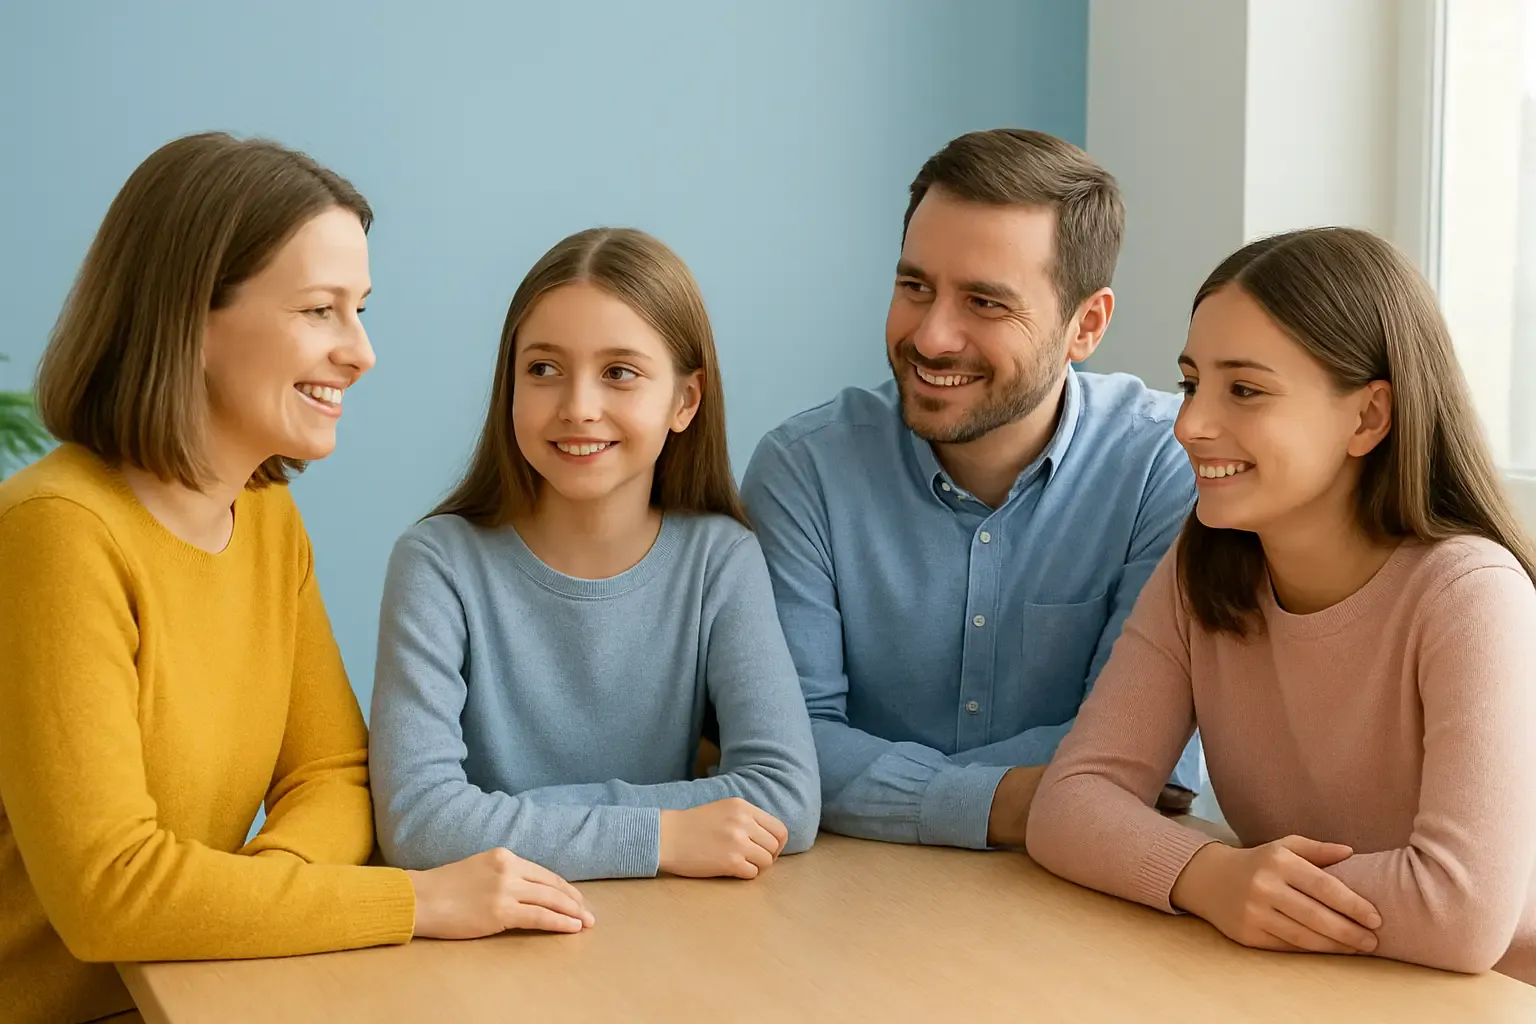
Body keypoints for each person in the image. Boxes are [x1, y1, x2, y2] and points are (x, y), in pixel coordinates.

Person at [0, 133, 594, 1024]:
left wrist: (261, 896)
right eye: (321, 310)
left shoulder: (265, 513)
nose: (361, 351)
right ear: (190, 318)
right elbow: (111, 891)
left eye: (360, 310)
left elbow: (335, 771)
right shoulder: (56, 532)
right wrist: (417, 902)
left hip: (197, 994)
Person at [1026, 227, 1536, 983]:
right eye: (1192, 384)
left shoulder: (1472, 596)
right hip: (1305, 985)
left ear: (1368, 418)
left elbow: (1459, 914)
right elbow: (1069, 802)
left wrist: (1247, 882)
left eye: (1245, 390)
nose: (1189, 424)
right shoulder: (1202, 567)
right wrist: (1209, 875)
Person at [740, 128, 1202, 850]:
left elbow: (1147, 756)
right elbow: (788, 750)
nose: (931, 338)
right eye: (915, 287)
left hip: (1085, 891)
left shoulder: (1168, 465)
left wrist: (884, 787)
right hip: (849, 890)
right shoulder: (804, 471)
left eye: (985, 302)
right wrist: (1011, 803)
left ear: (1086, 325)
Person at [369, 227, 820, 883]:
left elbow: (785, 799)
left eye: (619, 373)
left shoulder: (720, 559)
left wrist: (505, 822)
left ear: (685, 401)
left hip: (679, 926)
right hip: (494, 933)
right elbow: (420, 824)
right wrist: (659, 834)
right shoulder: (436, 564)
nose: (578, 408)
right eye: (543, 370)